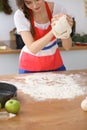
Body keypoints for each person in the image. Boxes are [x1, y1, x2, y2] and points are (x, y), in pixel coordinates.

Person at [14, 0, 73, 74]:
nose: (35, 6)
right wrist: (55, 30)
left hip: (54, 62)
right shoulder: (20, 15)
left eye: (37, 0)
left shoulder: (57, 9)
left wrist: (66, 28)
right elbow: (33, 48)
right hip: (30, 65)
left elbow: (67, 47)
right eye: (29, 3)